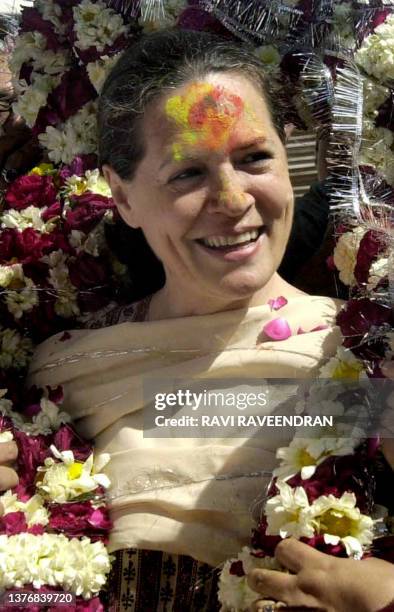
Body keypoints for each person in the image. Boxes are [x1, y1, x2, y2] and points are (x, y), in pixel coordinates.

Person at [0, 29, 392, 611]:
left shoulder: (366, 355)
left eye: (254, 158)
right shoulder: (67, 370)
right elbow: (33, 590)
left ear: (290, 162)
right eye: (187, 174)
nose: (233, 200)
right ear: (123, 197)